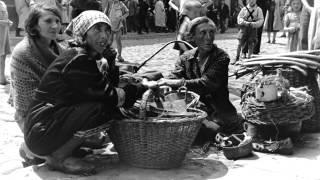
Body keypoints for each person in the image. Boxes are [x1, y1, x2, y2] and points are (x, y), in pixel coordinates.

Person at [24, 10, 144, 174]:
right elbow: (110, 96)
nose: (104, 36)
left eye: (107, 30)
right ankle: (59, 157)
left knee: (102, 105)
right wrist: (140, 88)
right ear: (83, 33)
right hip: (42, 131)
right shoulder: (79, 58)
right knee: (103, 109)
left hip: (46, 126)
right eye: (97, 30)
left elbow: (105, 85)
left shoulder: (86, 56)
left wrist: (111, 61)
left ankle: (64, 149)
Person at [158, 17, 243, 145]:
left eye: (211, 32)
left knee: (200, 132)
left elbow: (206, 84)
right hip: (194, 112)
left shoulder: (221, 57)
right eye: (203, 33)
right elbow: (173, 77)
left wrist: (177, 83)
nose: (208, 37)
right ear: (192, 37)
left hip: (218, 114)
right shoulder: (185, 58)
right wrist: (163, 83)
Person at [10, 4, 64, 166]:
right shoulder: (22, 53)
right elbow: (27, 102)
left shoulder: (60, 50)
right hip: (33, 116)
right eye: (48, 21)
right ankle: (31, 148)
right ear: (34, 26)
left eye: (58, 21)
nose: (55, 26)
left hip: (57, 107)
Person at [0, 1, 11, 85]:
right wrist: (5, 22)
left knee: (3, 55)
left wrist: (8, 21)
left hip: (4, 32)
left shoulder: (2, 3)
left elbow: (4, 17)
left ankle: (2, 77)